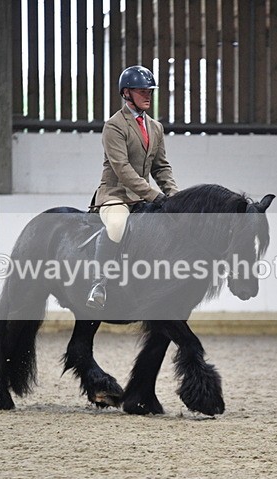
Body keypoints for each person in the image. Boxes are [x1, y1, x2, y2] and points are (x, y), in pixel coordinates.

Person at [87, 65, 180, 310]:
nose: (147, 95)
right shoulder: (114, 125)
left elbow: (161, 167)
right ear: (126, 93)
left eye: (149, 90)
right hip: (116, 195)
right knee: (117, 225)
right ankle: (99, 283)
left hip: (143, 198)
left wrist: (175, 196)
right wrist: (154, 195)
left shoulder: (156, 127)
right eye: (141, 91)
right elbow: (123, 169)